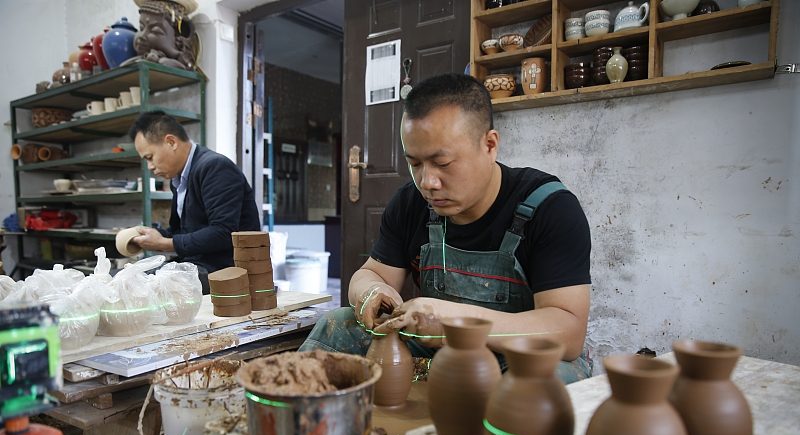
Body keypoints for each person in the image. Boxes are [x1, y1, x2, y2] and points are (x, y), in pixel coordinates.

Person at [300, 73, 592, 383]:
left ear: (490, 145)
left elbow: (567, 331)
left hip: (514, 357)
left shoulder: (549, 207)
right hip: (435, 352)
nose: (427, 182)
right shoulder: (411, 203)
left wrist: (455, 322)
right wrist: (371, 291)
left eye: (443, 163)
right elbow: (371, 274)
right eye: (415, 164)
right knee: (338, 324)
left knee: (551, 379)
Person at [128, 111, 261, 293]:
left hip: (226, 270)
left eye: (150, 158)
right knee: (124, 276)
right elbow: (183, 232)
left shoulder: (215, 167)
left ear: (171, 142)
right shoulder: (179, 179)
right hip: (196, 265)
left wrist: (164, 244)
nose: (150, 167)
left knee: (136, 285)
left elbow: (224, 233)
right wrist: (151, 235)